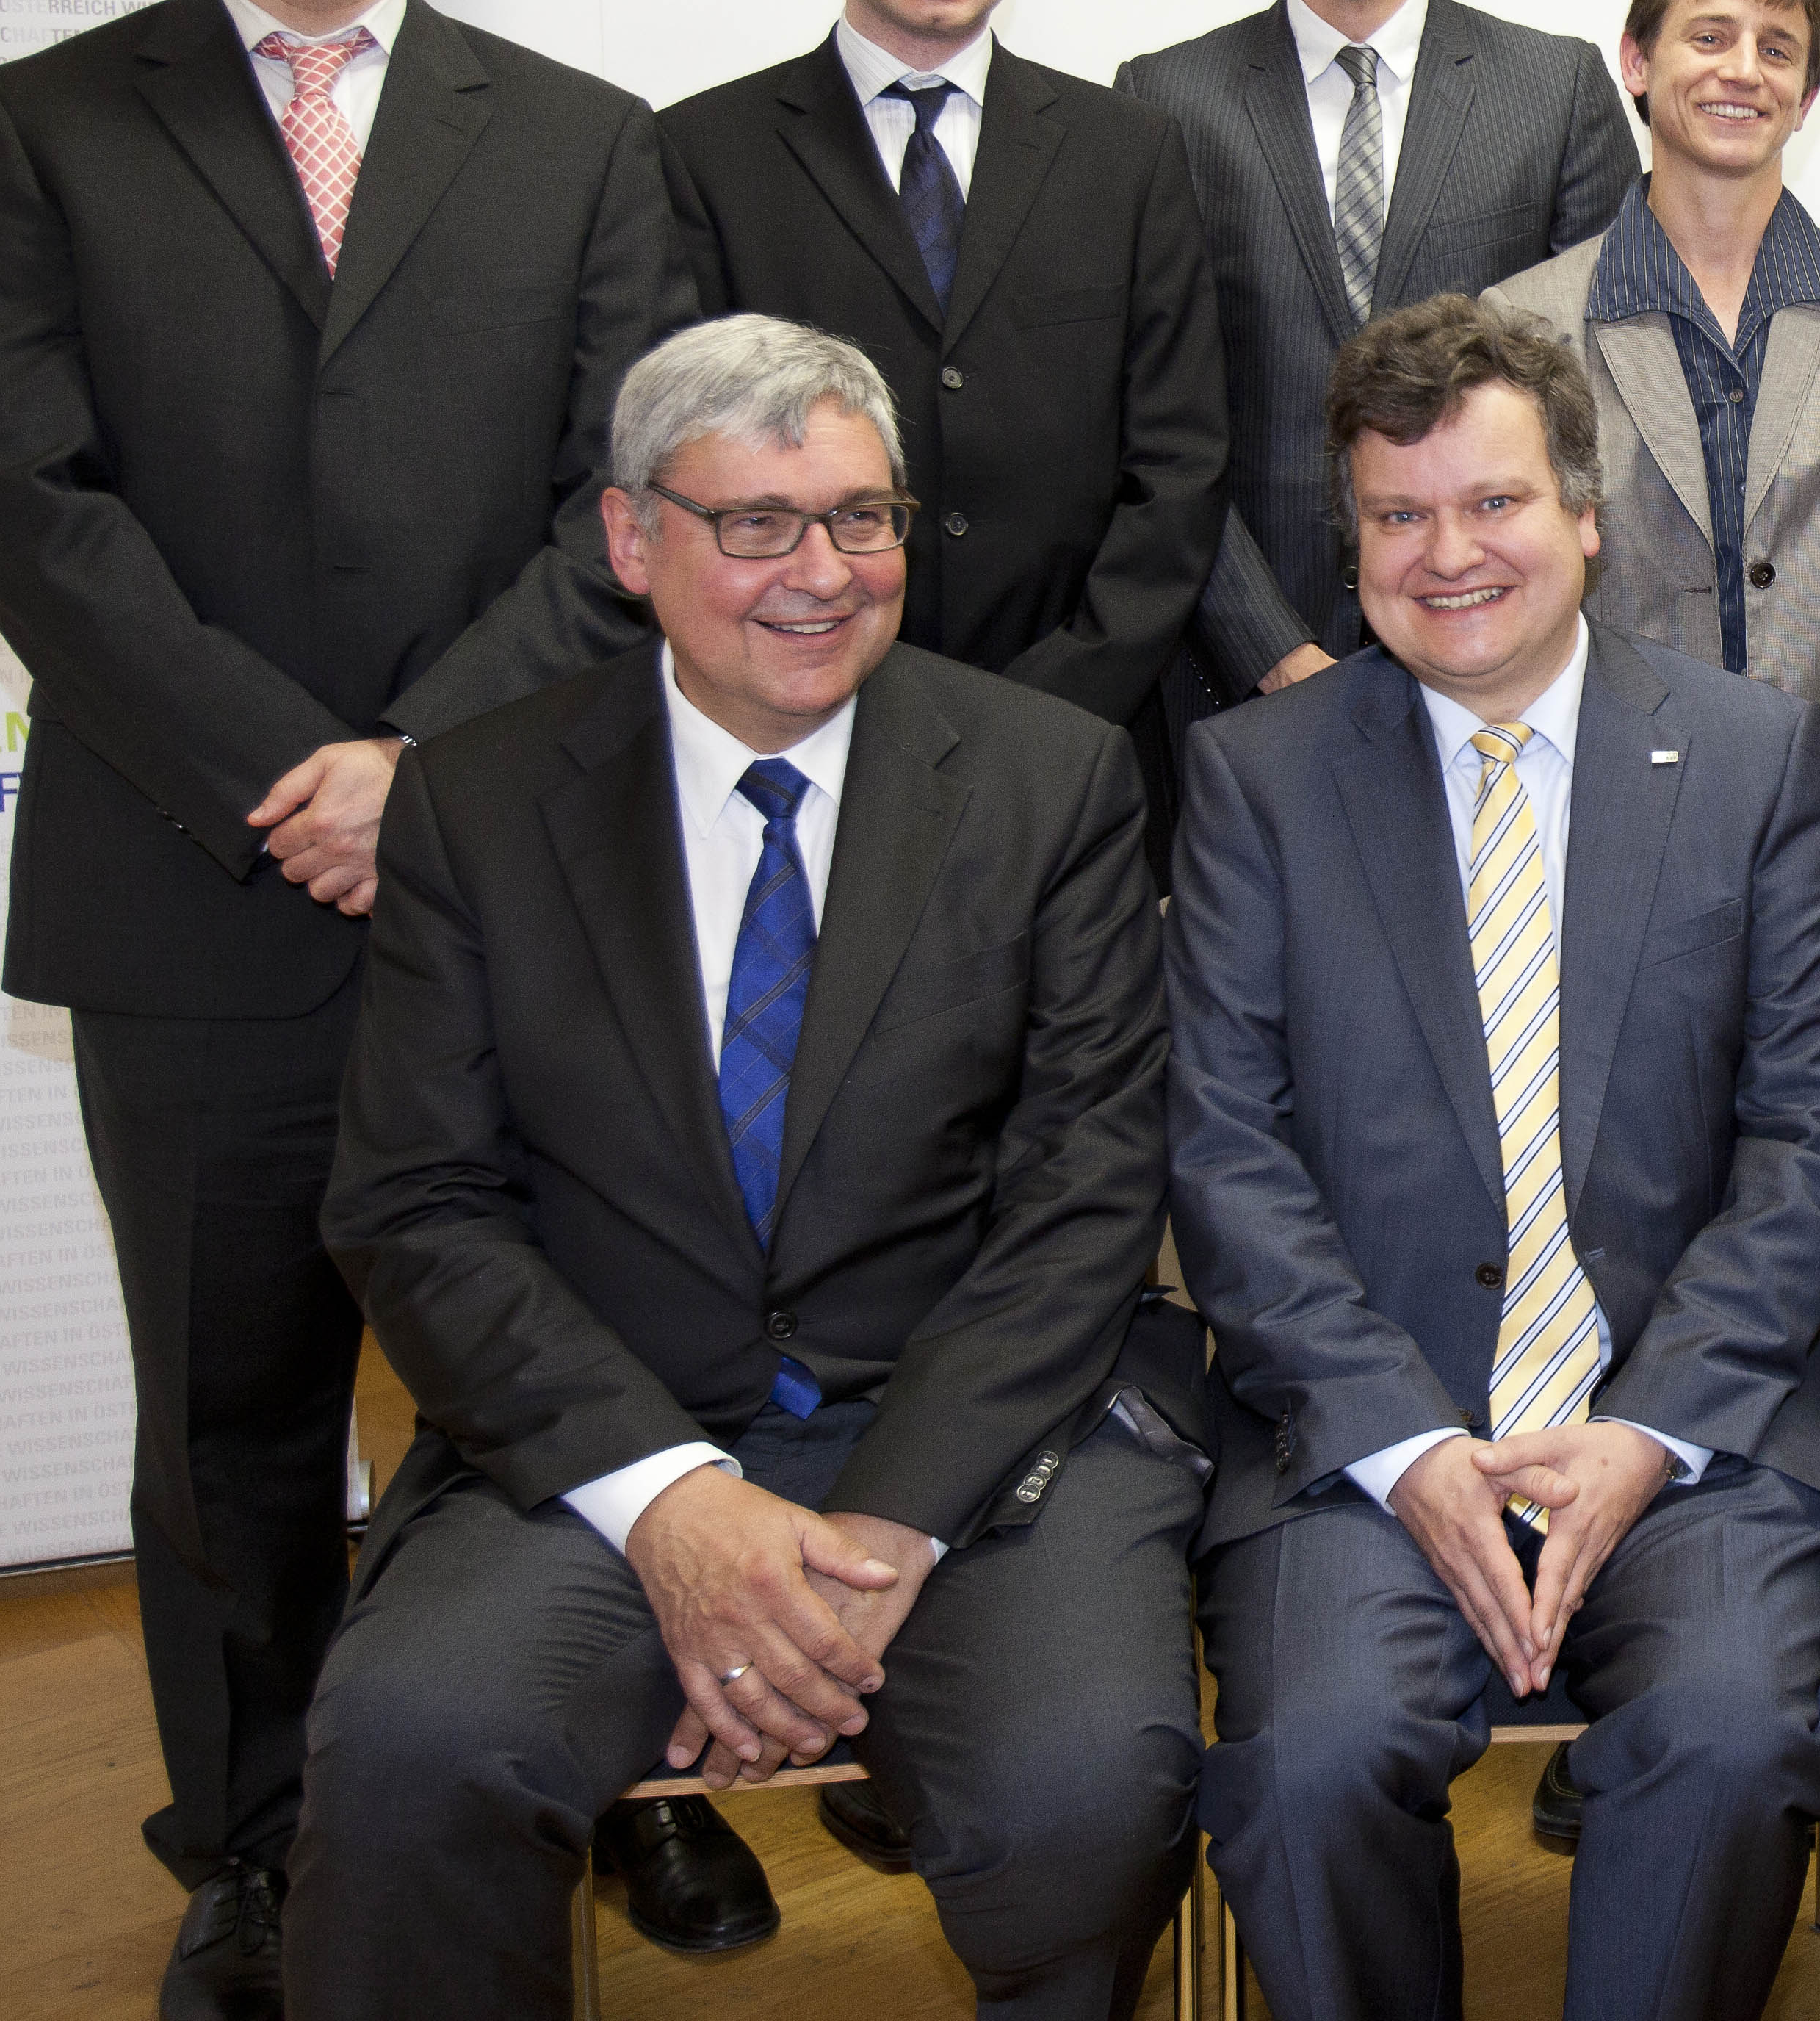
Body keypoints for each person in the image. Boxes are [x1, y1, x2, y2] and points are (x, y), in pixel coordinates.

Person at [0, 0, 694, 2020]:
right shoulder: (48, 125)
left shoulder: (582, 139)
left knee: (573, 1379)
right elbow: (29, 510)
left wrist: (414, 767)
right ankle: (254, 1849)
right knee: (232, 1418)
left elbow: (625, 508)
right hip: (192, 895)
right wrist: (295, 776)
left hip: (520, 888)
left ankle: (612, 1781)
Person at [286, 317, 1206, 2021]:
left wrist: (884, 1526)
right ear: (633, 538)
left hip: (976, 1445)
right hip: (603, 1439)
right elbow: (418, 1203)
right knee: (413, 1747)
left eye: (862, 517)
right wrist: (677, 1503)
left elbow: (1085, 1193)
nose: (823, 572)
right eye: (757, 522)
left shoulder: (1050, 777)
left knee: (1090, 1783)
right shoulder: (477, 802)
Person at [1163, 295, 1820, 2021]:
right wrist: (1407, 1444)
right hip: (1366, 1427)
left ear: (1584, 514)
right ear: (1352, 544)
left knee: (1730, 1736)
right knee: (1313, 1761)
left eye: (1492, 502)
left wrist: (1648, 1425)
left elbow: (1810, 1134)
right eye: (1396, 515)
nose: (1448, 552)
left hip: (1687, 1420)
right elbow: (1227, 1152)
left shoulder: (1745, 754)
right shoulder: (1256, 779)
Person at [660, 0, 1230, 885]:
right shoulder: (700, 157)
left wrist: (1040, 719)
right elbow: (690, 484)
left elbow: (1179, 474)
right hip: (804, 754)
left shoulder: (1128, 156)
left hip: (1081, 759)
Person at [1116, 0, 1638, 728]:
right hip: (1238, 692)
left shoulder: (1556, 92)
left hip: (1497, 670)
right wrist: (1271, 653)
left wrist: (1493, 633)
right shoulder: (1162, 102)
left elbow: (1594, 413)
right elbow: (1150, 423)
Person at [1487, 0, 1820, 892]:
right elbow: (1523, 621)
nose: (1743, 70)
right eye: (1709, 36)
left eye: (1777, 50)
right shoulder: (1524, 325)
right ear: (1637, 62)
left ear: (1807, 99)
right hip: (1605, 836)